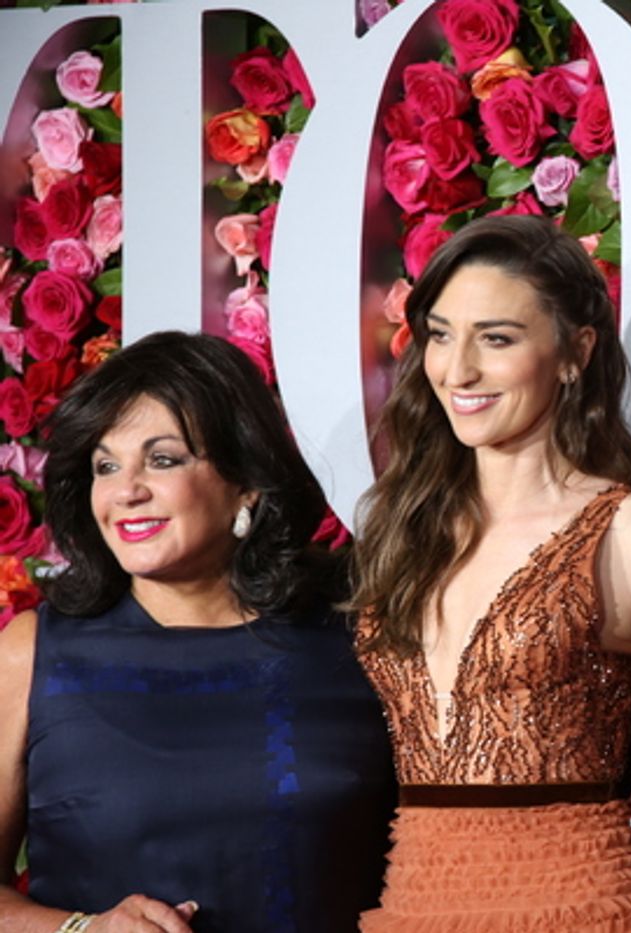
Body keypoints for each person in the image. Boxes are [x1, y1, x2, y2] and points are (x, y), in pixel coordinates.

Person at [349, 214, 631, 930]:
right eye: (439, 333)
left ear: (574, 352)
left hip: (586, 905)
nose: (456, 369)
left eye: (496, 338)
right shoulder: (401, 532)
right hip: (417, 904)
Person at [0, 331, 396, 933]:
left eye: (163, 459)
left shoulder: (360, 638)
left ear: (247, 482)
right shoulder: (32, 654)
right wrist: (82, 930)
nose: (126, 491)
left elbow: (442, 853)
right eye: (106, 465)